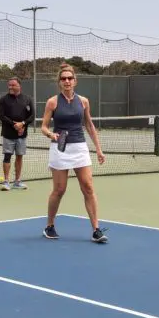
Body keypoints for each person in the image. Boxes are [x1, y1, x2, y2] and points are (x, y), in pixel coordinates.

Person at [40, 63, 108, 243]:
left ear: (75, 81)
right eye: (63, 79)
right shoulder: (53, 102)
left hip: (80, 148)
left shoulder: (83, 101)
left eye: (70, 78)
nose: (67, 81)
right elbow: (44, 126)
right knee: (59, 189)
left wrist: (98, 149)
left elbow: (89, 125)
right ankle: (50, 225)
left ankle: (96, 230)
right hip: (60, 148)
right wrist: (51, 134)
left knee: (88, 187)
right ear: (59, 82)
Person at [0, 77, 34, 190]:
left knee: (19, 156)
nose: (10, 87)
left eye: (13, 85)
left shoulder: (27, 99)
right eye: (9, 85)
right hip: (8, 134)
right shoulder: (3, 100)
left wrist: (22, 124)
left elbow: (32, 116)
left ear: (19, 86)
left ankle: (17, 181)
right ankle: (6, 182)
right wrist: (14, 125)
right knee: (7, 156)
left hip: (22, 134)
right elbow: (1, 116)